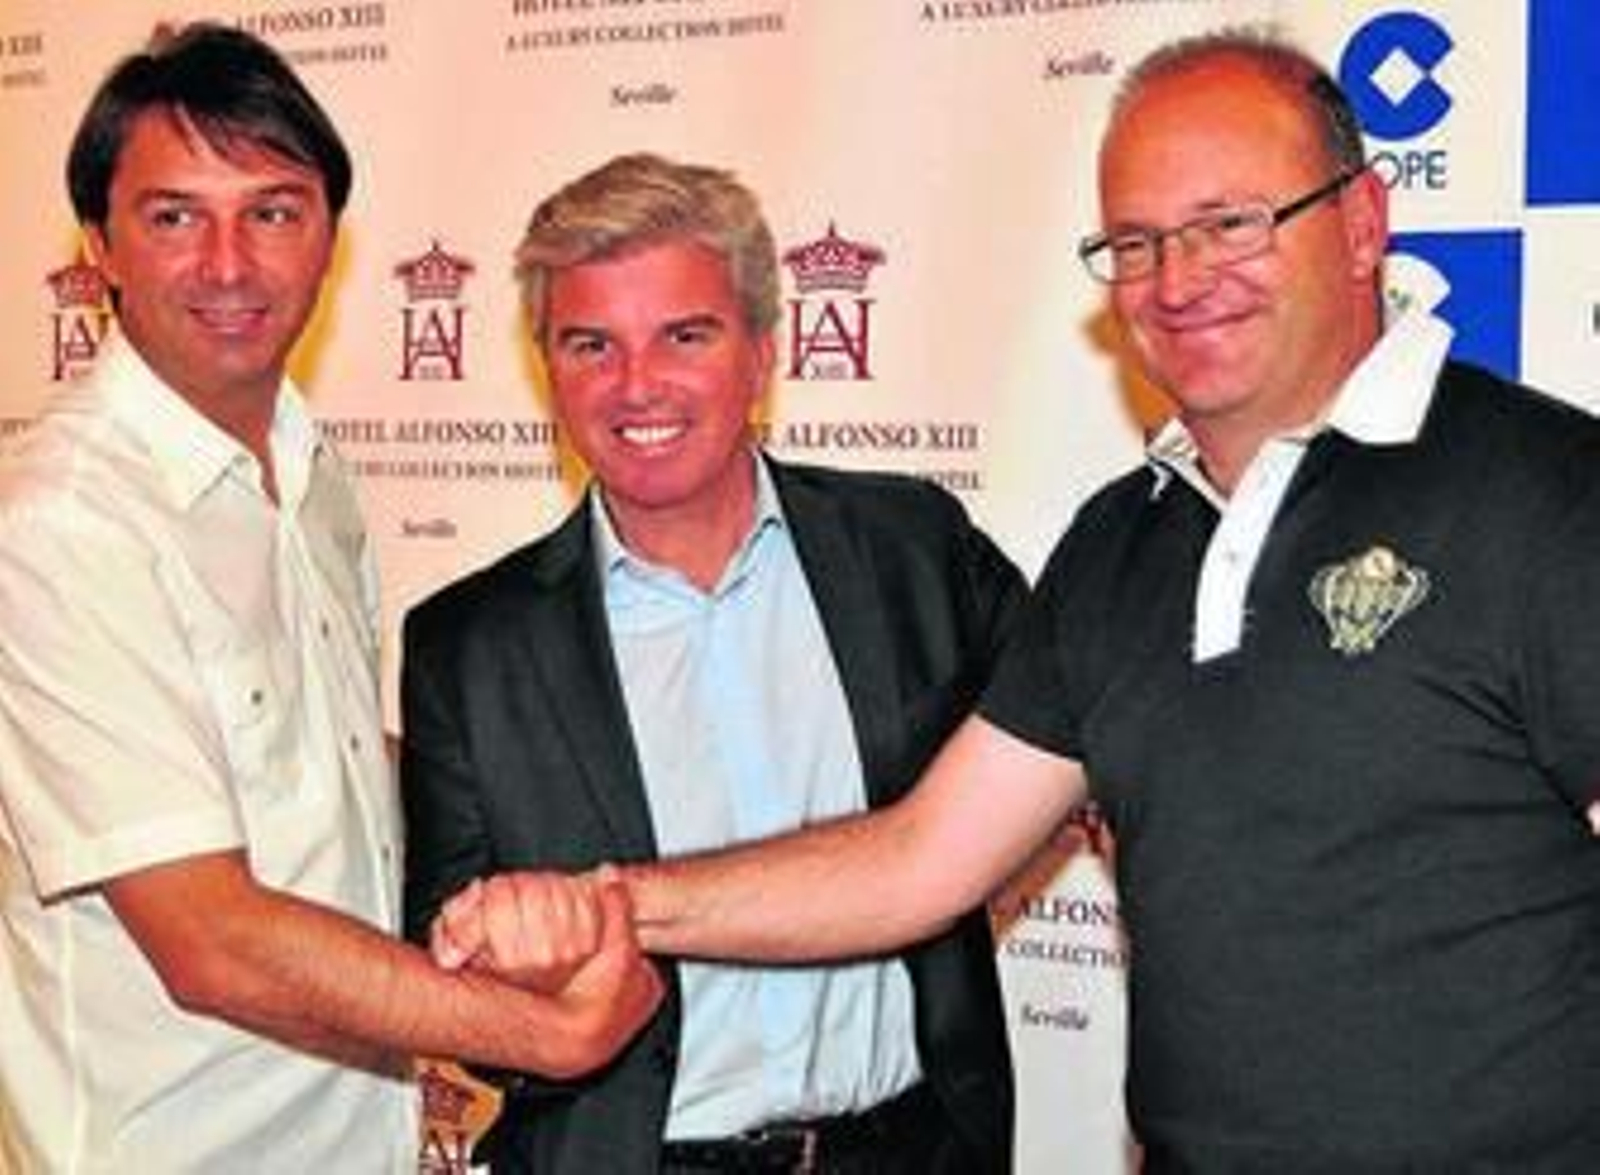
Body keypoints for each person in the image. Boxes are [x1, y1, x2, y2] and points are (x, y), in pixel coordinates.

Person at [435, 30, 1600, 1172]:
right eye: (1136, 243)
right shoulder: (1118, 543)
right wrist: (607, 901)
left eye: (1231, 223)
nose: (1180, 279)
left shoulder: (1550, 494)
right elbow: (918, 861)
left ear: (1360, 223)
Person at [0, 24, 660, 1173]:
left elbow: (332, 769)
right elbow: (209, 937)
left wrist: (566, 848)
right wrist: (543, 1030)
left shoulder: (312, 470)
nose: (227, 263)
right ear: (98, 246)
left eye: (272, 210)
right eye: (173, 217)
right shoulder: (63, 524)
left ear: (327, 240)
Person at [400, 152, 1023, 1174]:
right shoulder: (467, 646)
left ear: (764, 350)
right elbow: (455, 981)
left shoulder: (912, 547)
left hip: (913, 1148)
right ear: (544, 365)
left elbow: (1085, 738)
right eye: (590, 344)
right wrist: (522, 969)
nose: (636, 384)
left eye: (684, 335)